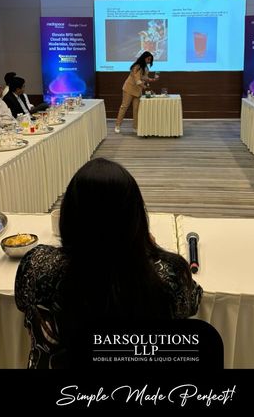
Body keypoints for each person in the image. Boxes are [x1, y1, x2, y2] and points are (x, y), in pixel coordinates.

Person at [15, 157, 202, 369]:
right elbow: (192, 302)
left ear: (69, 215)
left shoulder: (36, 265)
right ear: (135, 217)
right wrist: (151, 249)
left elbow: (22, 301)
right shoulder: (169, 273)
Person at [114, 51, 158, 134]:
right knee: (124, 107)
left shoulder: (146, 68)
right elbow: (138, 81)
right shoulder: (136, 66)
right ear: (144, 58)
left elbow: (144, 78)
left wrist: (153, 79)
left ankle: (135, 127)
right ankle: (117, 125)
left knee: (136, 109)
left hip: (137, 91)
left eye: (150, 60)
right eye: (148, 59)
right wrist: (145, 87)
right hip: (129, 89)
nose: (149, 61)